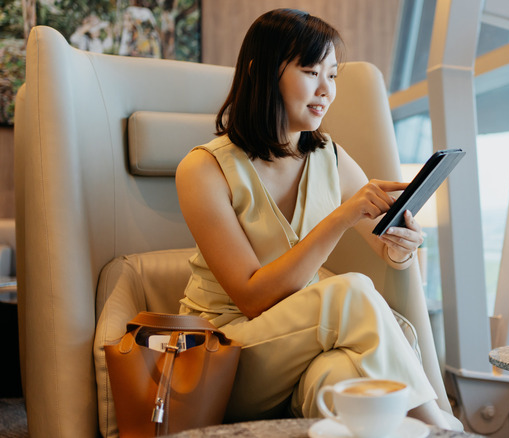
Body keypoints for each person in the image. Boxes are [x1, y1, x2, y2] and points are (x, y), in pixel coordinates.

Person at [175, 8, 460, 430]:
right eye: (311, 71)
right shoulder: (203, 170)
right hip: (225, 359)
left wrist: (402, 247)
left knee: (345, 379)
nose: (326, 89)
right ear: (261, 73)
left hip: (302, 352)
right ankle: (441, 425)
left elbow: (388, 251)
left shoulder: (330, 158)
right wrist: (342, 217)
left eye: (333, 75)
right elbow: (251, 299)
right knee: (351, 291)